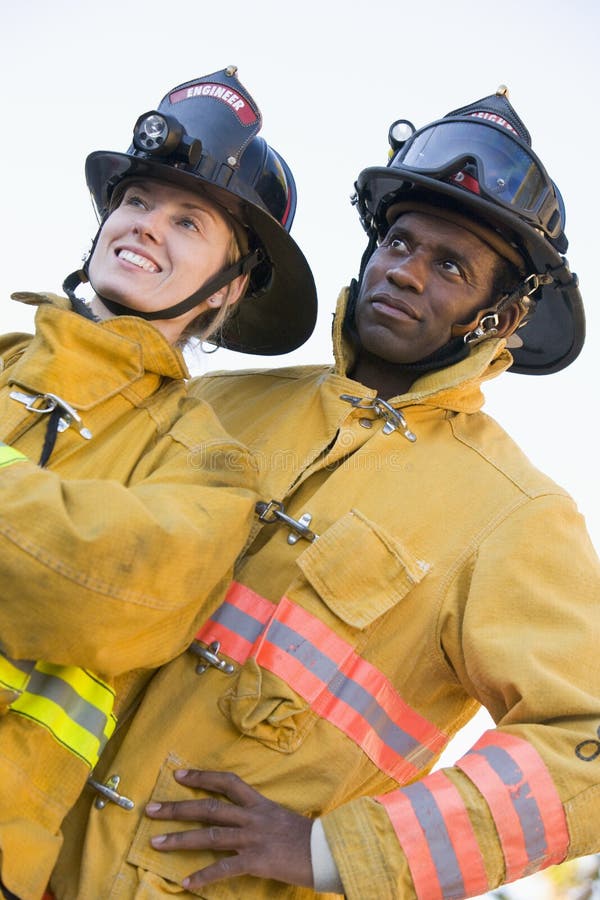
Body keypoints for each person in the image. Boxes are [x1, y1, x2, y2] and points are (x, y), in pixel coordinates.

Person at [50, 88, 599, 899]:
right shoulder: (215, 403)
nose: (407, 272)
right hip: (33, 857)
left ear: (502, 314)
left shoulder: (514, 516)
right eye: (400, 242)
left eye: (450, 266)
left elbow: (584, 742)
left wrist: (332, 850)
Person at [0, 66, 316, 900]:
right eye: (136, 202)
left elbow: (98, 590)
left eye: (188, 221)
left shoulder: (207, 466)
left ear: (232, 286)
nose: (145, 227)